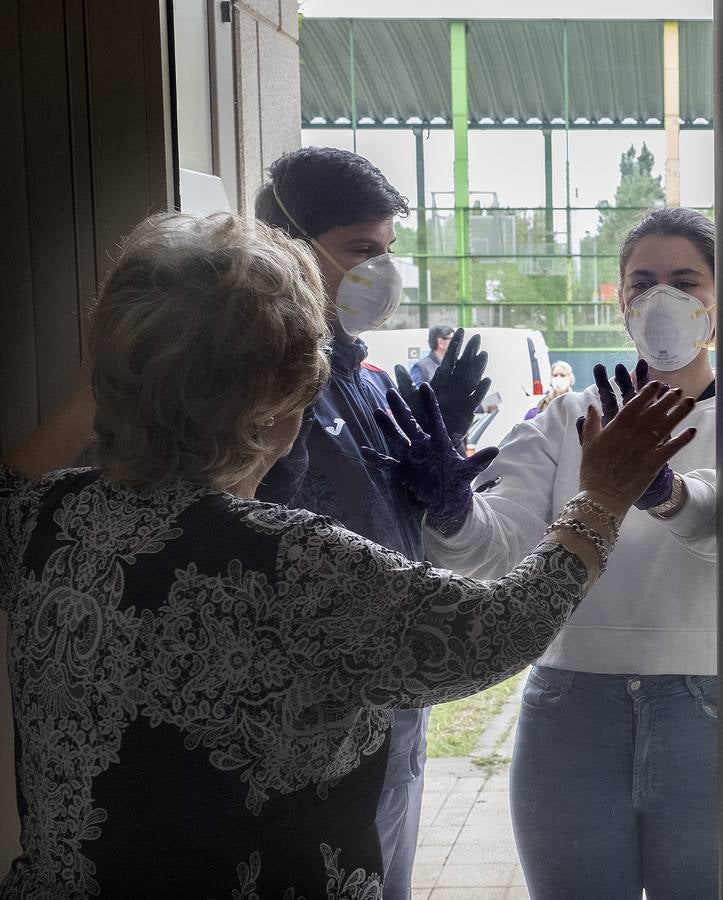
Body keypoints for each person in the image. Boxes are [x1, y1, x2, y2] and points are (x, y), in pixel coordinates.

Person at [0, 211, 694, 896]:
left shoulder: (43, 517)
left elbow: (15, 477)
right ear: (283, 399)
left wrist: (140, 351)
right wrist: (602, 495)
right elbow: (499, 628)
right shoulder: (294, 563)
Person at [395, 207, 723, 897]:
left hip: (713, 706)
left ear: (719, 300)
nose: (661, 297)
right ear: (620, 300)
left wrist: (667, 493)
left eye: (685, 280)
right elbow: (494, 549)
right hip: (571, 710)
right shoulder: (566, 419)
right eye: (642, 280)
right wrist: (448, 510)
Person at [252, 146, 487, 898]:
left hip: (390, 702)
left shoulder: (360, 375)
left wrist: (434, 466)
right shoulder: (257, 383)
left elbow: (382, 522)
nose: (380, 273)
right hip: (303, 711)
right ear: (287, 245)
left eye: (386, 251)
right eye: (359, 251)